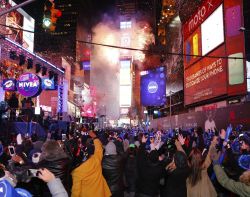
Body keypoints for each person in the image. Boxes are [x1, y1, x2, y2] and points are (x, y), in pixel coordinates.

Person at [71, 130, 111, 197]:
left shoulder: (77, 172)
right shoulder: (96, 160)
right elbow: (99, 149)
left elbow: (76, 192)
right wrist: (95, 138)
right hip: (99, 193)